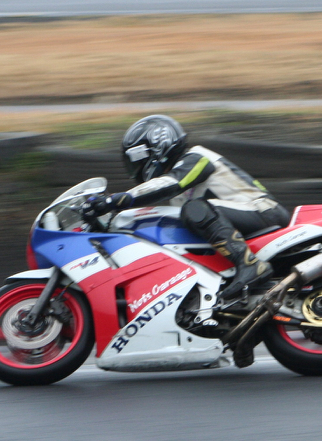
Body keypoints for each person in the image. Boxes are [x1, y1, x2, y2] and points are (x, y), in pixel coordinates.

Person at [82, 115, 291, 302]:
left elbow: (170, 184)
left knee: (194, 209)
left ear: (158, 146)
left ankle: (250, 265)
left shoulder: (197, 158)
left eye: (137, 159)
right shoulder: (179, 190)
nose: (136, 167)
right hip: (242, 217)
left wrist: (114, 201)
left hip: (264, 210)